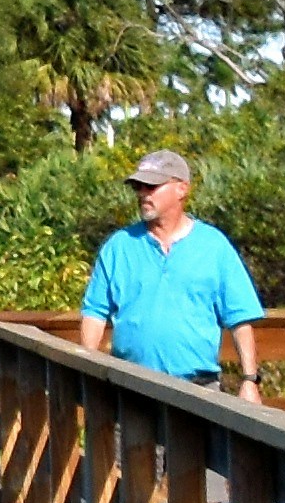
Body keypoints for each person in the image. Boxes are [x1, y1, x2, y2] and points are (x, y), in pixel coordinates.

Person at [74, 150, 263, 385]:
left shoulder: (214, 246)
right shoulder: (118, 246)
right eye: (138, 187)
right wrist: (87, 372)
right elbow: (94, 312)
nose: (143, 194)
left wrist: (249, 380)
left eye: (151, 187)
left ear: (182, 189)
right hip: (131, 388)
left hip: (198, 389)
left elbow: (240, 318)